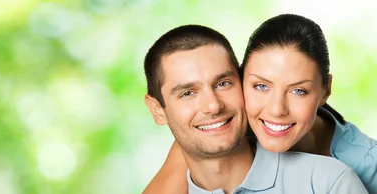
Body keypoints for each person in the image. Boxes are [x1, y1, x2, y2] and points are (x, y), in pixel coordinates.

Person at [143, 14, 377, 194]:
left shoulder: (354, 169)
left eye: (298, 90)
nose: (276, 109)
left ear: (325, 89)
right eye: (262, 86)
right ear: (243, 80)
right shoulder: (216, 130)